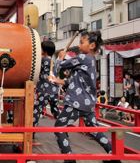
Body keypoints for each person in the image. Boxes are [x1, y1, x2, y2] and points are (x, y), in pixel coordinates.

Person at [48, 30, 121, 163]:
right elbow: (77, 81)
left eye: (82, 43)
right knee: (94, 130)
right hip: (88, 102)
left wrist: (60, 57)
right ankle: (114, 157)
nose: (79, 46)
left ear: (92, 45)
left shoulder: (83, 58)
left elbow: (61, 66)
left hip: (77, 101)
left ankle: (69, 159)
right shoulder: (91, 61)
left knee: (59, 128)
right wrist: (59, 81)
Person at [33, 40, 60, 129]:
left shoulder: (44, 60)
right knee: (55, 111)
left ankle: (31, 132)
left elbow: (36, 69)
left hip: (45, 91)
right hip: (54, 90)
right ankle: (63, 130)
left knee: (36, 111)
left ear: (44, 50)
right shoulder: (52, 61)